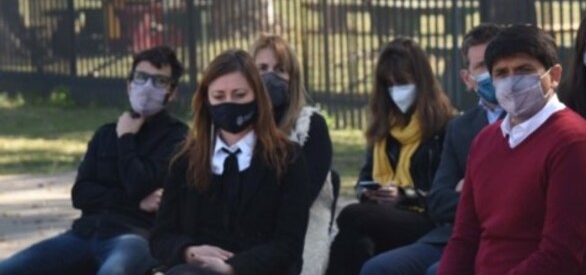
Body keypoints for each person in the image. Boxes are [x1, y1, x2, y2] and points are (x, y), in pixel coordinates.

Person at [0, 46, 188, 275]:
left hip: (133, 237)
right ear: (129, 84)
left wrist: (126, 138)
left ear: (173, 91)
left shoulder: (177, 137)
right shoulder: (106, 134)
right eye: (141, 78)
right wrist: (136, 203)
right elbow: (81, 194)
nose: (147, 87)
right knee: (8, 269)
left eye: (159, 81)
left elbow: (140, 182)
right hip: (84, 234)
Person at [436, 24, 586, 275]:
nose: (512, 82)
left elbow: (560, 255)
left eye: (524, 70)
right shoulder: (485, 141)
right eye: (501, 73)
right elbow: (464, 238)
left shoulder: (573, 142)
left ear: (553, 76)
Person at [360, 23, 505, 275]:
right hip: (452, 235)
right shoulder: (461, 128)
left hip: (505, 238)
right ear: (468, 78)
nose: (492, 72)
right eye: (481, 66)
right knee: (377, 268)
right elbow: (439, 201)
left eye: (497, 62)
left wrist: (469, 189)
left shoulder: (444, 124)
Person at [150, 49, 311, 275]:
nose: (229, 103)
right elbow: (161, 236)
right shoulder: (185, 159)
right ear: (206, 101)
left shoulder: (287, 158)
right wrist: (190, 252)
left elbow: (288, 244)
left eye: (239, 95)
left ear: (257, 96)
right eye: (219, 97)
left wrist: (232, 268)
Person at [326, 38, 455, 275]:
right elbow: (363, 178)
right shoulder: (383, 129)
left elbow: (442, 194)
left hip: (424, 217)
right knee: (354, 243)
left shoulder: (444, 129)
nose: (396, 91)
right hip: (384, 214)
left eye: (403, 82)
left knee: (351, 216)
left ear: (422, 81)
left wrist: (403, 195)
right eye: (389, 84)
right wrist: (367, 191)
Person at [252, 34, 336, 275]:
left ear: (293, 77)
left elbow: (304, 195)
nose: (271, 76)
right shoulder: (240, 126)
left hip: (304, 225)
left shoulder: (310, 126)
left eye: (280, 70)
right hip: (249, 226)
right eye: (262, 68)